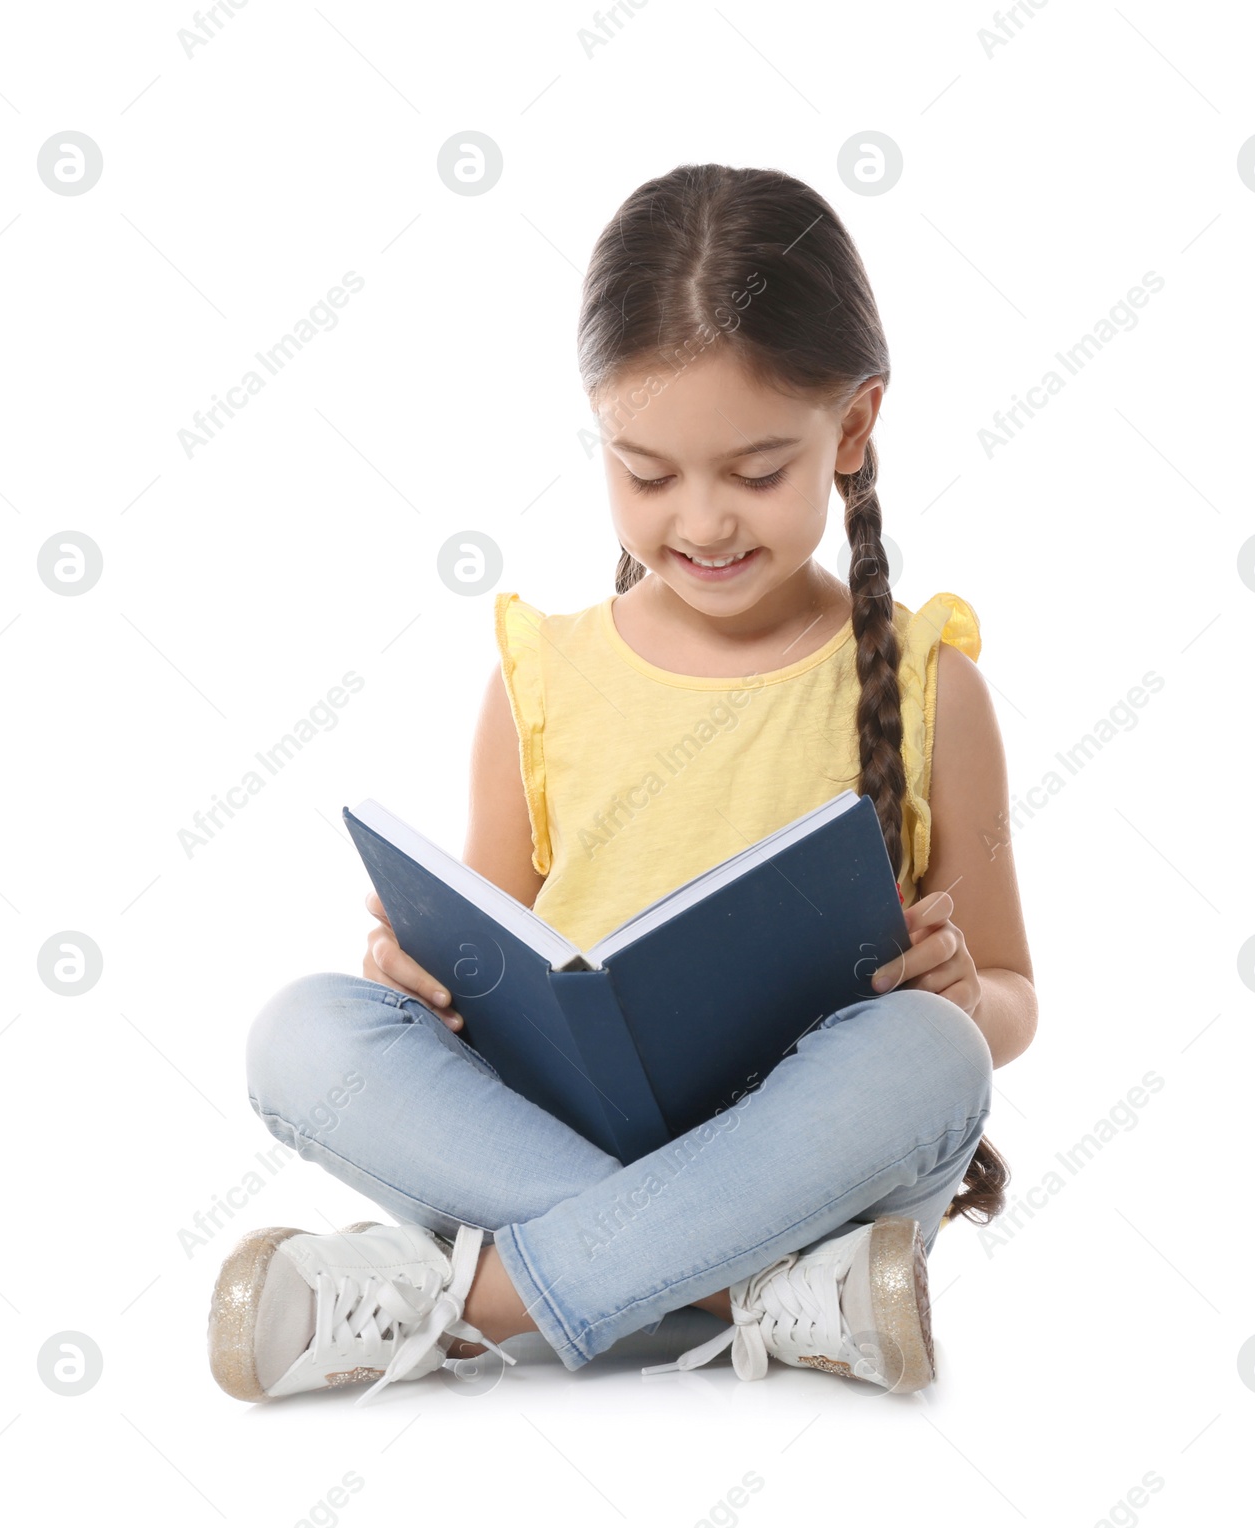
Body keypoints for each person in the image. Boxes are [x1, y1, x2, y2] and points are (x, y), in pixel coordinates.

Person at [207, 163, 1037, 1407]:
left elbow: (1012, 1002)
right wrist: (427, 984)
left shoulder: (931, 688)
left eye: (755, 472)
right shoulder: (541, 676)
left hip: (810, 1155)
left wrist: (970, 995)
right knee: (300, 1033)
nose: (700, 521)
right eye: (646, 474)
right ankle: (767, 1294)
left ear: (853, 427)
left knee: (932, 1057)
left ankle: (464, 1299)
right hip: (561, 1133)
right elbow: (491, 984)